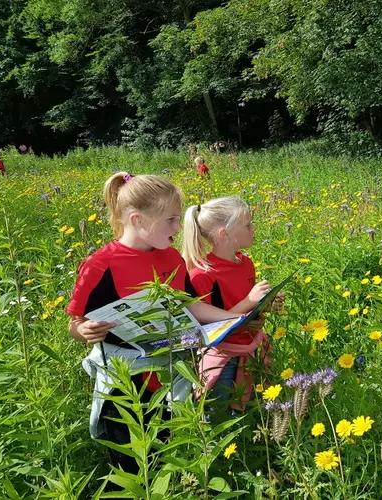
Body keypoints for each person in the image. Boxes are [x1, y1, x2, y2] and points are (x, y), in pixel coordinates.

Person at [65, 172, 257, 476]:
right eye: (170, 220)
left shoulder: (172, 259)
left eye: (178, 218)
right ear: (137, 219)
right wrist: (84, 330)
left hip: (168, 374)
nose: (178, 227)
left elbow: (191, 305)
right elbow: (75, 322)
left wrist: (236, 316)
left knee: (165, 449)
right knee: (130, 462)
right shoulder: (100, 265)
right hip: (123, 382)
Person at [183, 196, 282, 418]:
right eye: (247, 225)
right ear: (224, 234)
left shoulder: (245, 263)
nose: (253, 228)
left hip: (252, 347)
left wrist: (266, 305)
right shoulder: (202, 274)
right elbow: (207, 324)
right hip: (222, 357)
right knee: (218, 416)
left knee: (251, 413)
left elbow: (248, 313)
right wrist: (250, 300)